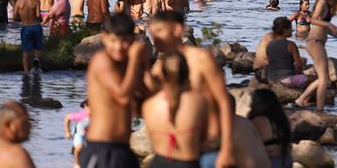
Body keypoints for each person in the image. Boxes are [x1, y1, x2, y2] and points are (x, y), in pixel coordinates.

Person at [146, 11, 235, 168]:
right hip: (171, 152)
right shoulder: (160, 67)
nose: (155, 38)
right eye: (152, 33)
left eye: (159, 31)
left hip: (206, 146)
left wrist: (227, 149)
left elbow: (223, 101)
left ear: (177, 30)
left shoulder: (201, 59)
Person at [80, 14, 147, 168]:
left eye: (124, 41)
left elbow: (143, 100)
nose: (118, 47)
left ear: (132, 40)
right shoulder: (102, 60)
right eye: (113, 40)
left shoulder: (126, 65)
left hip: (123, 148)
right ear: (104, 38)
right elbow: (122, 97)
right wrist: (135, 60)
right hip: (102, 148)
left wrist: (144, 64)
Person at [142, 52, 207, 168]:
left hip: (159, 163)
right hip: (188, 163)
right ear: (187, 74)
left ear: (162, 75)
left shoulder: (148, 105)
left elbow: (151, 140)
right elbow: (205, 137)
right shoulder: (199, 101)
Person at [295, 0, 337, 111]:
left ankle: (300, 100)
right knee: (324, 79)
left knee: (322, 79)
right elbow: (311, 19)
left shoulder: (327, 5)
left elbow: (325, 28)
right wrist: (328, 24)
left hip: (318, 43)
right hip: (315, 42)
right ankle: (320, 109)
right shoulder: (322, 2)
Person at [249, 89, 293, 168]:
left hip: (270, 161)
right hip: (286, 158)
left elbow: (251, 144)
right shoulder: (282, 117)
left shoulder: (258, 120)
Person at [263, 17, 310, 89]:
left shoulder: (269, 44)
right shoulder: (291, 45)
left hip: (271, 79)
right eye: (290, 28)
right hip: (287, 79)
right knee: (318, 79)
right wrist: (301, 75)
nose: (292, 30)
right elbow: (298, 66)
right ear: (285, 29)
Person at [13, 0, 42, 71]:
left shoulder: (19, 2)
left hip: (26, 27)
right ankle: (36, 59)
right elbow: (38, 15)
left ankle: (26, 72)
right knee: (37, 46)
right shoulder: (36, 2)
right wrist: (40, 19)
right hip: (36, 26)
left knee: (25, 51)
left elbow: (14, 17)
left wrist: (22, 20)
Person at [64, 100, 90, 168]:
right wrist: (67, 131)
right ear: (85, 106)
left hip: (90, 135)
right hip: (79, 133)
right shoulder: (81, 114)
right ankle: (76, 163)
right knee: (79, 148)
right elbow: (67, 117)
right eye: (90, 107)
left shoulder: (98, 115)